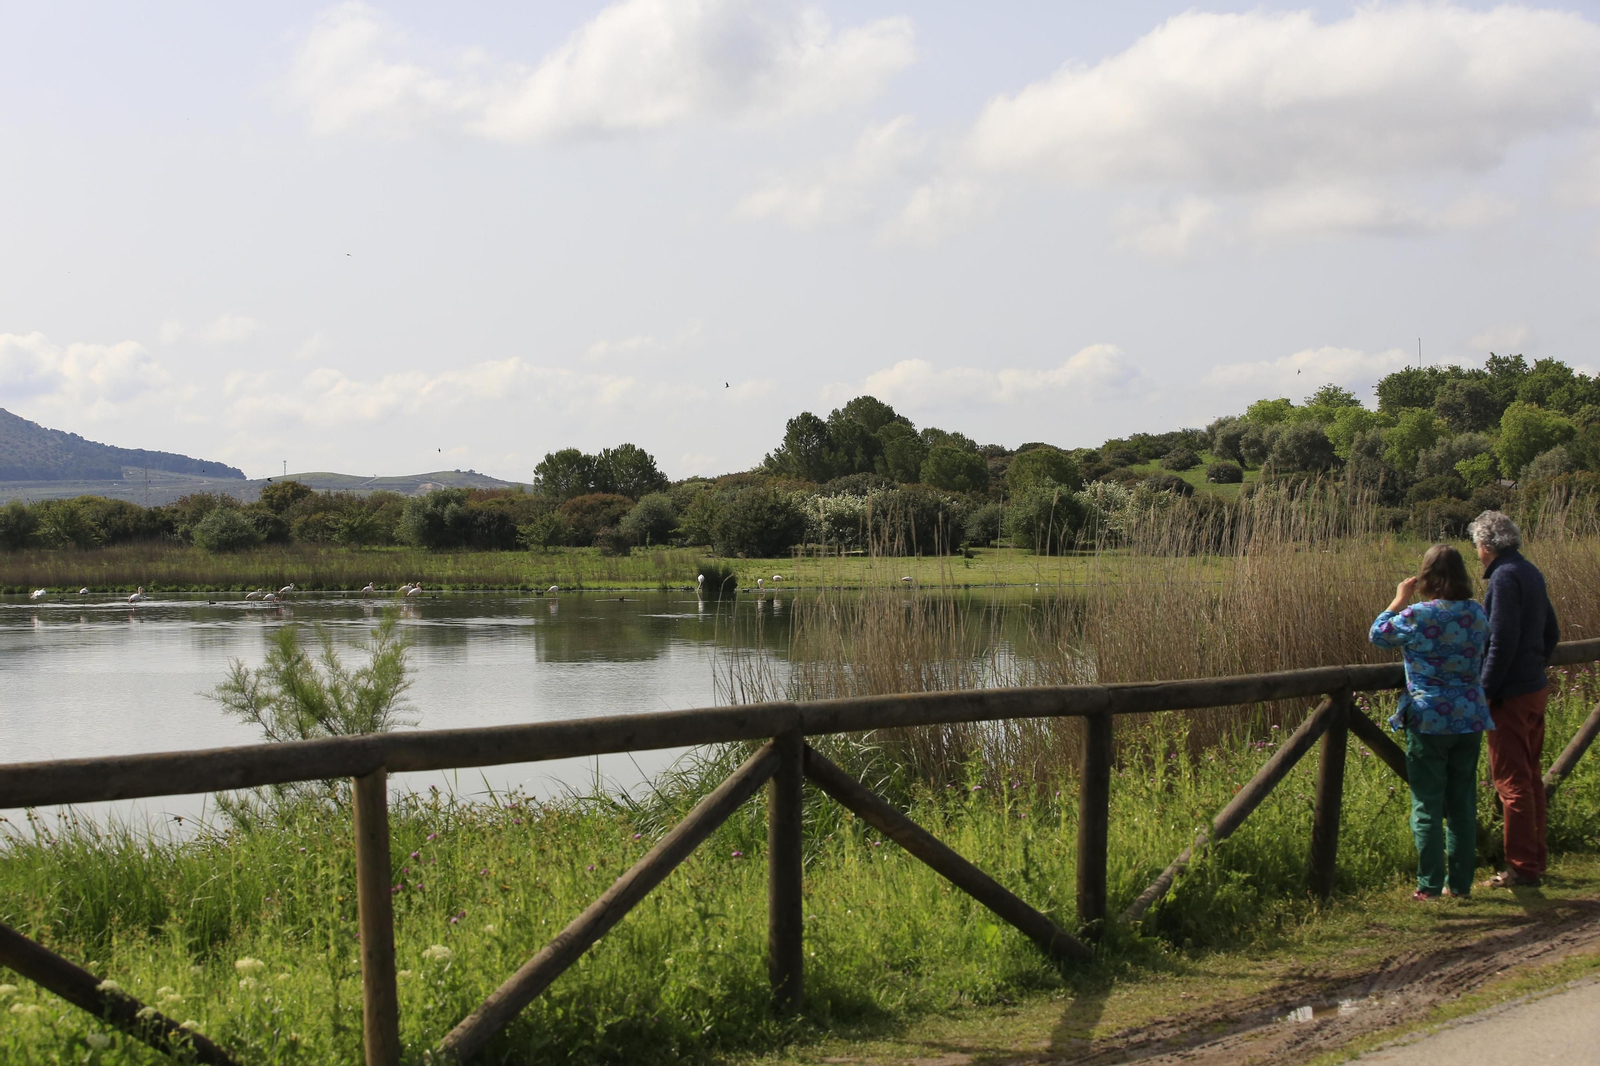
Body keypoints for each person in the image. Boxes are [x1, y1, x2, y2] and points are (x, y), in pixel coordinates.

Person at [1369, 545, 1491, 900]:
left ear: (1425, 577)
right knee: (1463, 803)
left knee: (1427, 804)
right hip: (1469, 716)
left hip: (1429, 717)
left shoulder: (1418, 615)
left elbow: (1378, 635)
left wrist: (1398, 599)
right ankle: (1462, 884)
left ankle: (1429, 885)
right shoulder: (1476, 613)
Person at [1469, 511, 1560, 888]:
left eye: (1476, 544)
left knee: (1511, 781)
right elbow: (1550, 630)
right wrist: (1535, 666)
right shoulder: (1529, 571)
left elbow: (1501, 641)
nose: (1476, 551)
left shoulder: (1503, 578)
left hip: (1510, 694)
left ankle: (1521, 867)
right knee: (1530, 777)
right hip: (1533, 687)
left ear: (1486, 546)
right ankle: (1534, 860)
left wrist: (1485, 692)